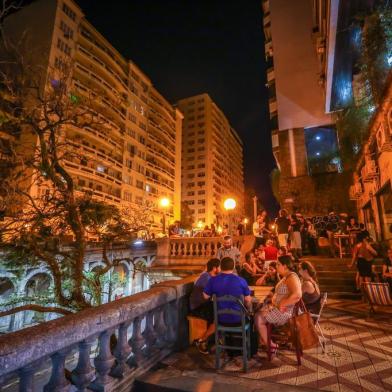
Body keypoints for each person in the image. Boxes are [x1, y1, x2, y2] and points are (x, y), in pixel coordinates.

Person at [203, 257, 252, 357]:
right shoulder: (241, 280)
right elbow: (248, 300)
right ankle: (246, 350)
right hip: (238, 320)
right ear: (233, 267)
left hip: (220, 320)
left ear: (221, 267)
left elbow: (205, 296)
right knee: (252, 318)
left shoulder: (213, 280)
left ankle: (224, 346)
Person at [254, 255, 302, 352]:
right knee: (257, 311)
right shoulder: (286, 277)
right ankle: (263, 340)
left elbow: (297, 294)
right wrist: (274, 298)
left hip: (285, 313)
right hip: (278, 309)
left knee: (258, 318)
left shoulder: (292, 276)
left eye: (278, 264)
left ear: (285, 266)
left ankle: (270, 346)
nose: (276, 266)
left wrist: (282, 304)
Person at [190, 258, 221, 354]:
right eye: (219, 267)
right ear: (215, 268)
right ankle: (203, 341)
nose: (220, 269)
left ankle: (213, 340)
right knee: (218, 316)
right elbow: (213, 294)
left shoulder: (208, 276)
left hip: (204, 304)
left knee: (219, 312)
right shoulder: (206, 278)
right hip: (198, 307)